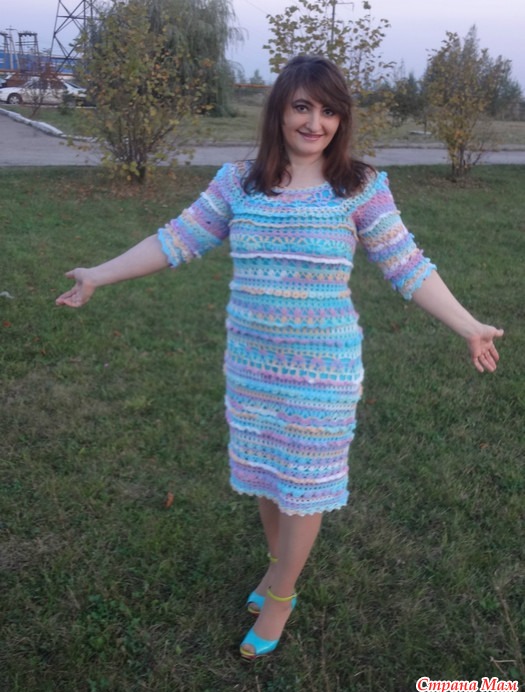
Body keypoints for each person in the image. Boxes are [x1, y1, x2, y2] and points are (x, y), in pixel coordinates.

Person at [56, 55, 504, 660]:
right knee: (269, 477)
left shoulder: (359, 187)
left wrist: (469, 326)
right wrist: (97, 275)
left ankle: (282, 594)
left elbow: (407, 265)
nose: (315, 122)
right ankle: (276, 566)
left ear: (342, 119)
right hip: (253, 367)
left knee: (304, 485)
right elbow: (176, 239)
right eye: (302, 107)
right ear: (279, 111)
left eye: (328, 111)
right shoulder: (239, 182)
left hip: (322, 373)